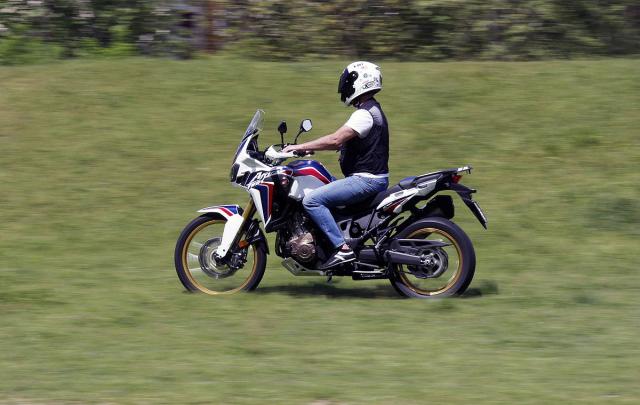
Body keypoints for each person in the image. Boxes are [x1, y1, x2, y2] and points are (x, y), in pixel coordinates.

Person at [283, 61, 390, 269]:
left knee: (312, 201)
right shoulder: (371, 109)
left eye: (348, 82)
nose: (345, 87)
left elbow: (335, 140)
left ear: (361, 82)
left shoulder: (364, 114)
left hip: (366, 180)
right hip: (368, 178)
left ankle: (342, 249)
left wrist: (298, 146)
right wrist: (307, 149)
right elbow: (346, 144)